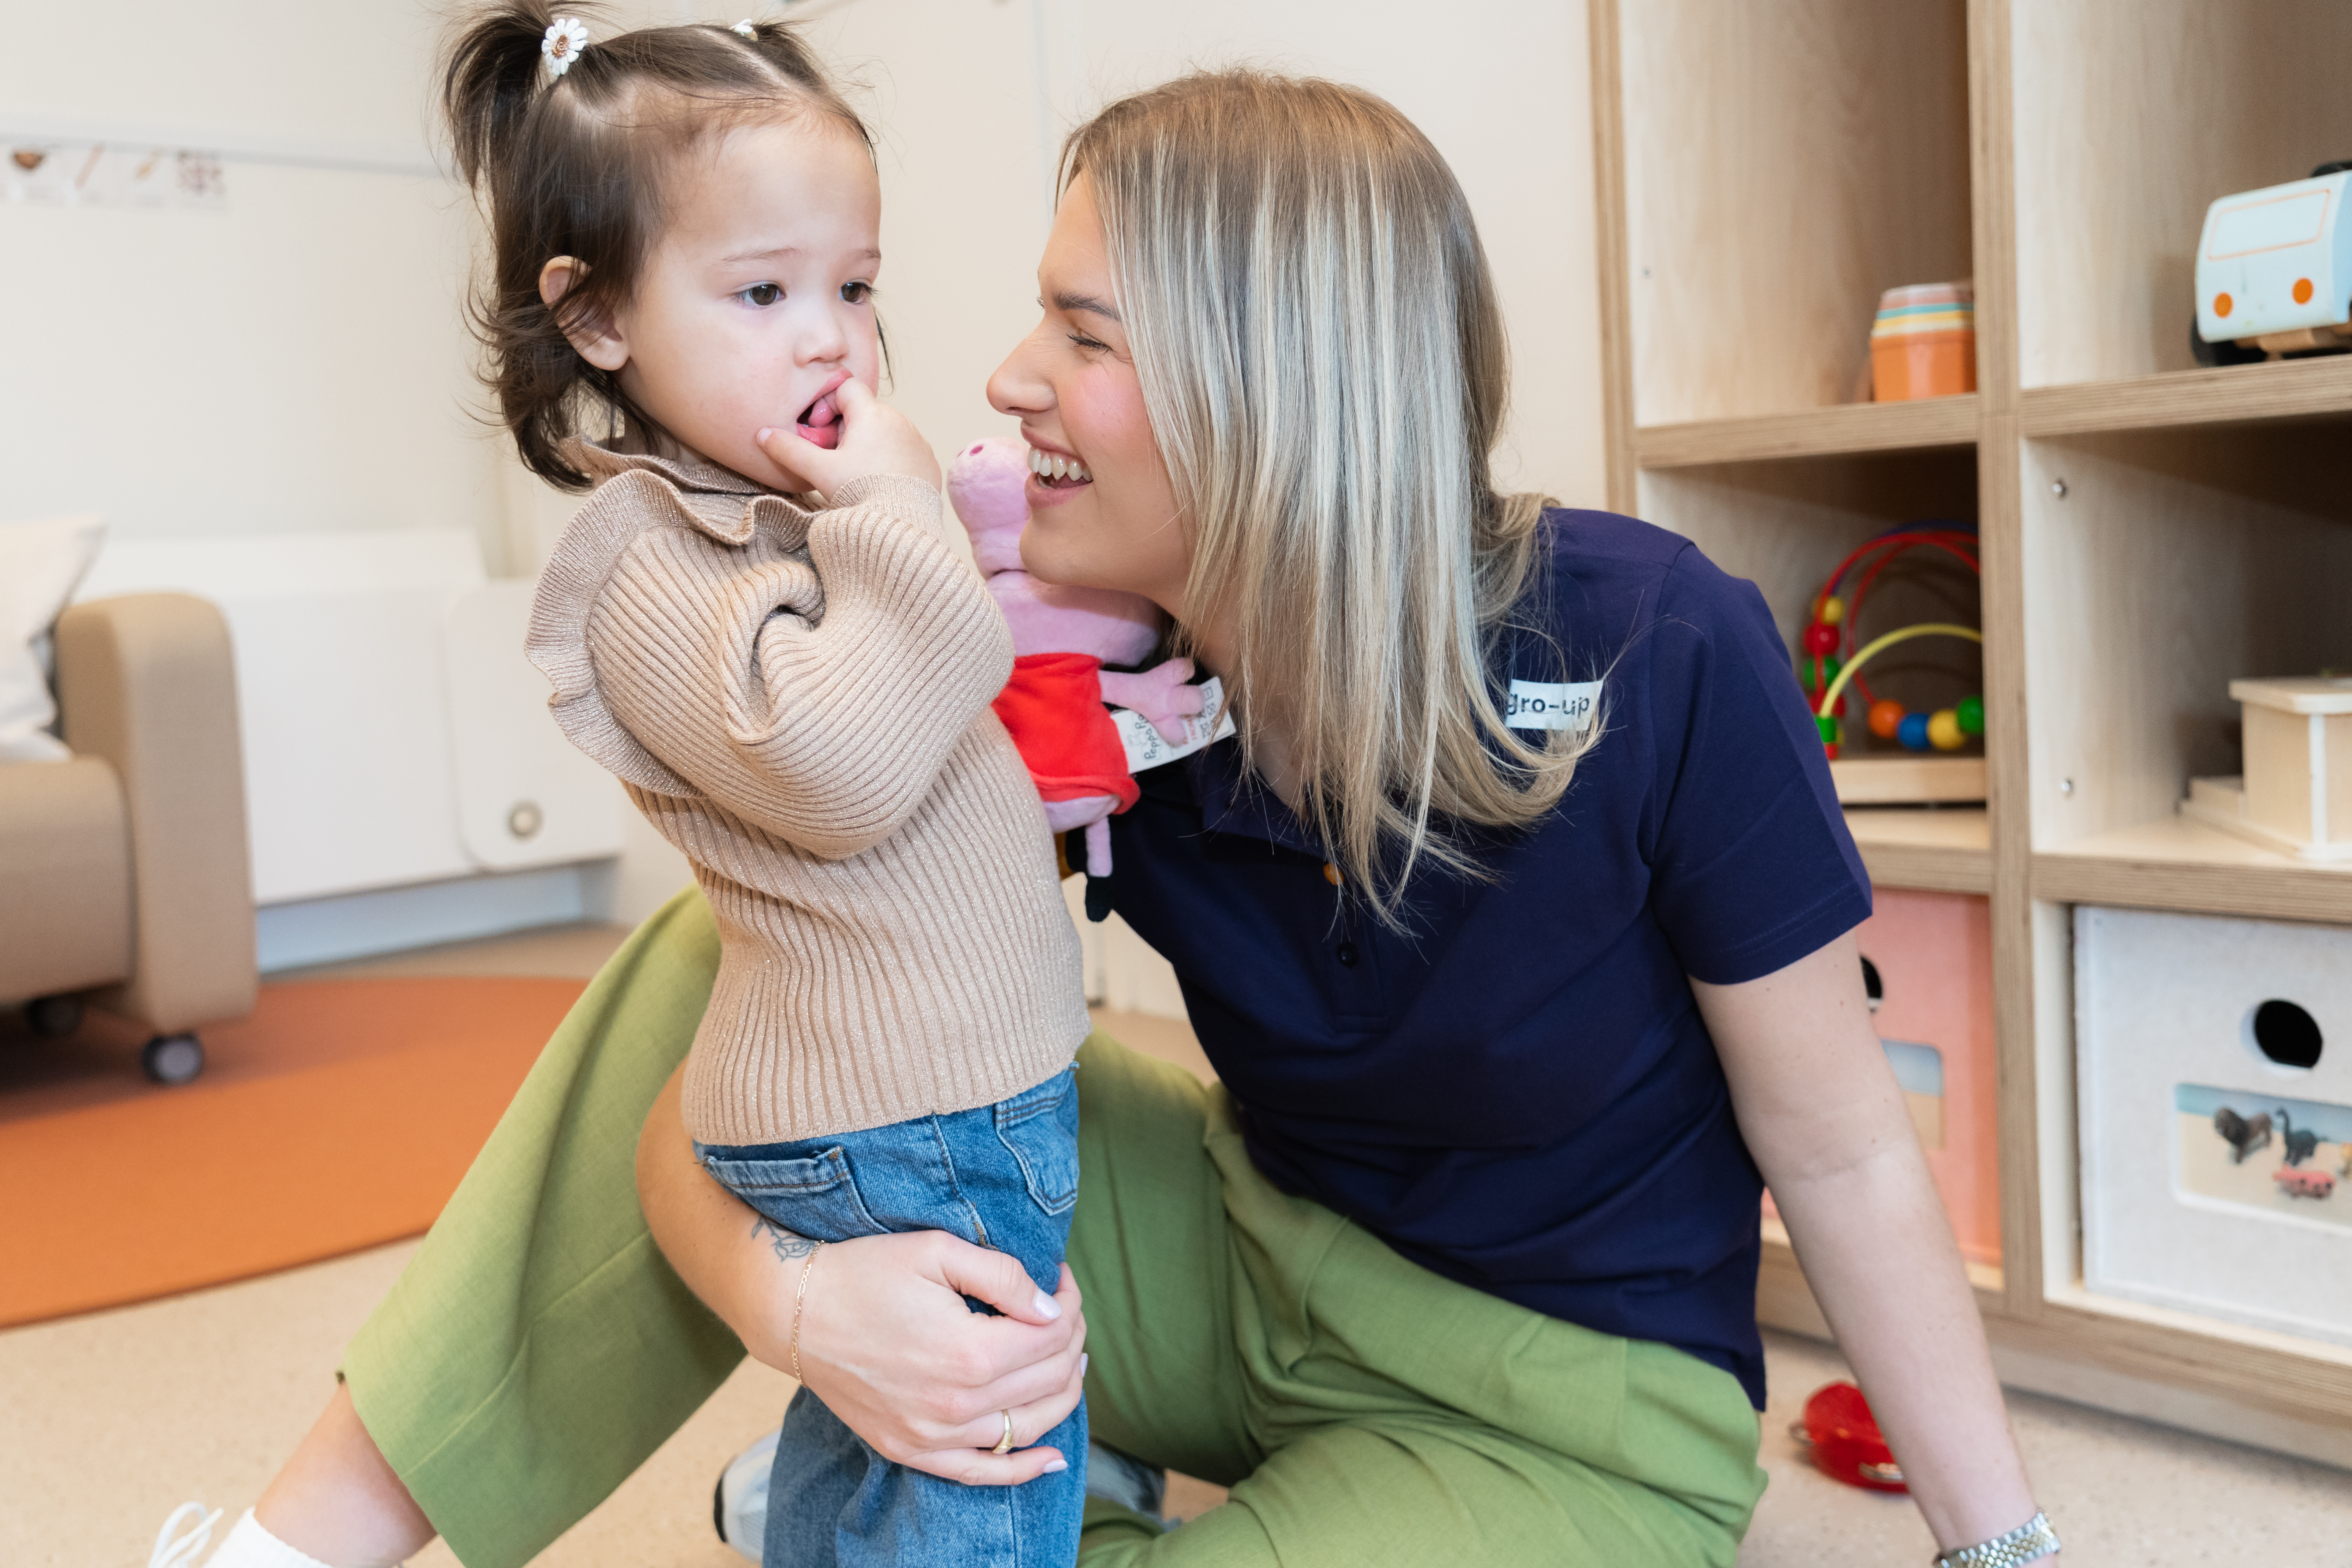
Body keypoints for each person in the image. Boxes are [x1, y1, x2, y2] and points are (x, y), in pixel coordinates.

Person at [160, 64, 2060, 1568]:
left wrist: (2003, 1549)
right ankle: (282, 1546)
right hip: (1233, 1256)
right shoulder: (1048, 678)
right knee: (717, 948)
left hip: (1557, 1406)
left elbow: (1849, 1154)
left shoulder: (1659, 641)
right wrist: (807, 1305)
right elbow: (711, 1094)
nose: (996, 383)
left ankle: (1015, 1503)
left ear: (1270, 386)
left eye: (1080, 332)